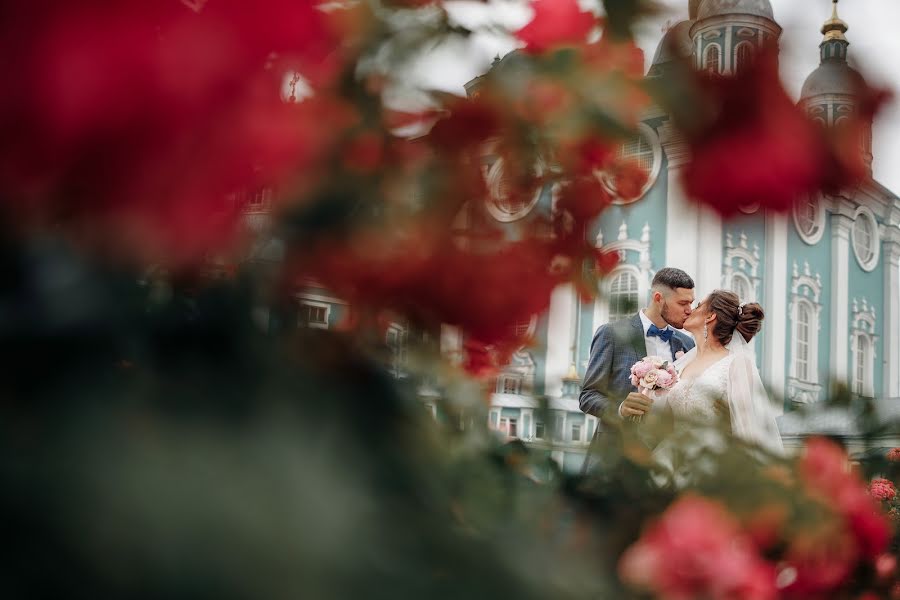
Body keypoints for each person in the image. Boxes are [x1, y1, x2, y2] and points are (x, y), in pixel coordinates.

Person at [652, 290, 784, 485]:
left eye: (697, 306)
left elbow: (747, 431)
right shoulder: (680, 366)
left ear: (711, 316)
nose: (690, 310)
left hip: (713, 468)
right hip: (671, 462)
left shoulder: (736, 364)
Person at [579, 267, 696, 472]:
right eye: (683, 303)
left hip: (665, 464)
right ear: (659, 298)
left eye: (691, 303)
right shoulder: (612, 334)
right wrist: (620, 409)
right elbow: (588, 396)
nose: (689, 310)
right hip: (613, 462)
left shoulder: (687, 345)